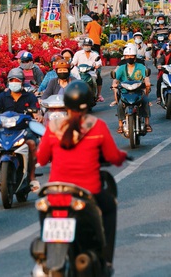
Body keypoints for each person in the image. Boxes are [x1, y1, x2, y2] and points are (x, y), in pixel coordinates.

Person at [37, 81, 128, 270]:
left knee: (44, 211)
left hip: (55, 194)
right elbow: (112, 156)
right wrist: (122, 157)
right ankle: (106, 260)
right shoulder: (97, 126)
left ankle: (46, 251)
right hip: (88, 193)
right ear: (89, 102)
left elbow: (42, 159)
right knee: (110, 207)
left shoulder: (54, 127)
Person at [0, 68, 42, 191]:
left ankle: (32, 178)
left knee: (31, 144)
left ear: (22, 82)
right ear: (8, 82)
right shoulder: (3, 96)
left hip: (24, 129)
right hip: (6, 130)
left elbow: (37, 111)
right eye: (12, 80)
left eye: (17, 80)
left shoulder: (30, 96)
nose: (14, 82)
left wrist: (38, 116)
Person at [112, 44, 152, 134]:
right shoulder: (121, 68)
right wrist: (114, 84)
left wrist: (147, 82)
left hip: (138, 91)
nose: (129, 57)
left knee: (145, 101)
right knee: (120, 105)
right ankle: (120, 125)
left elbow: (146, 77)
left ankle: (147, 124)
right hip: (125, 92)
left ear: (135, 57)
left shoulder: (141, 66)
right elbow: (116, 79)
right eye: (127, 56)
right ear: (125, 57)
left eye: (131, 56)